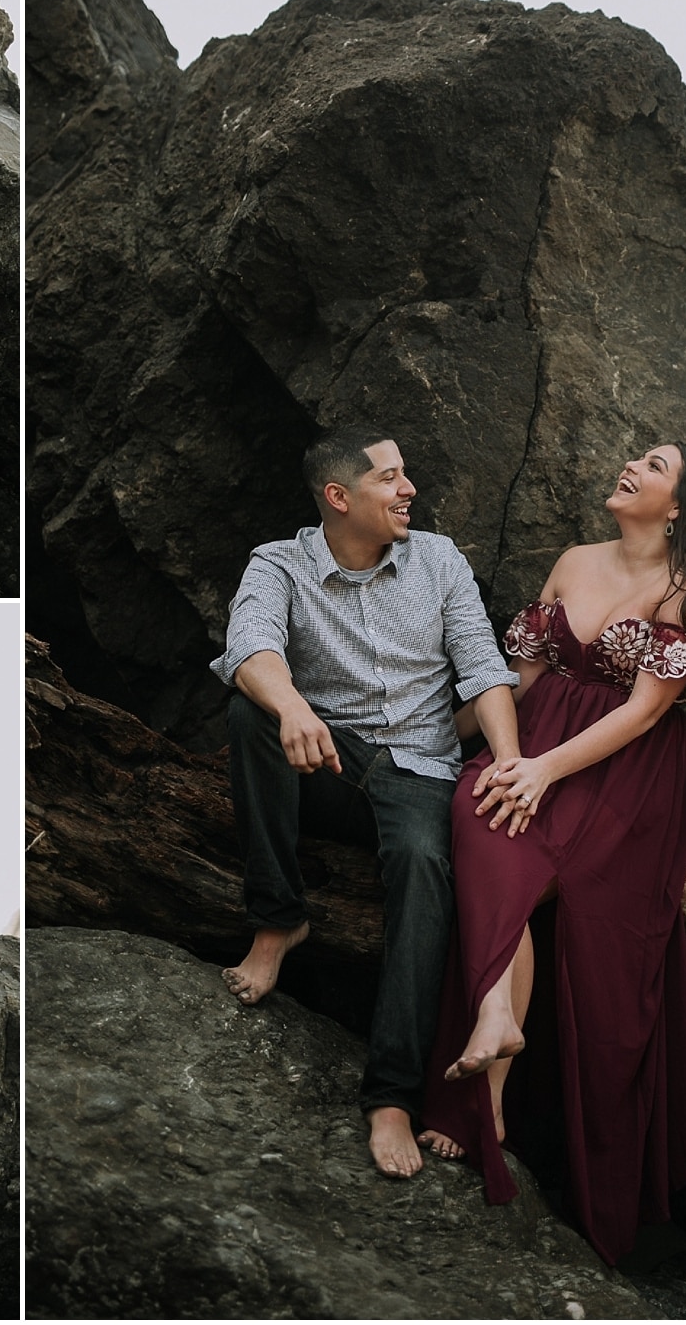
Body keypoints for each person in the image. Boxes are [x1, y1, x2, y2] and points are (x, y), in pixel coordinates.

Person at [417, 442, 686, 1267]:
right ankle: (494, 1041)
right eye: (633, 456)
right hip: (534, 741)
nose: (630, 466)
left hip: (622, 779)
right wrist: (428, 739)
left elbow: (643, 714)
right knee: (476, 806)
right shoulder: (572, 559)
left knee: (540, 874)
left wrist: (540, 772)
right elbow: (520, 680)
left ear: (680, 505)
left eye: (655, 464)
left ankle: (495, 1073)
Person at [210, 427, 523, 1179]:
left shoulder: (438, 559)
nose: (408, 487)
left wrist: (511, 765)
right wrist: (291, 705)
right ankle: (278, 920)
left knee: (423, 866)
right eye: (390, 477)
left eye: (405, 473)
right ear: (339, 497)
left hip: (421, 772)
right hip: (328, 761)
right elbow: (249, 643)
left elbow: (483, 668)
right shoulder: (278, 564)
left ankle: (391, 1098)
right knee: (249, 711)